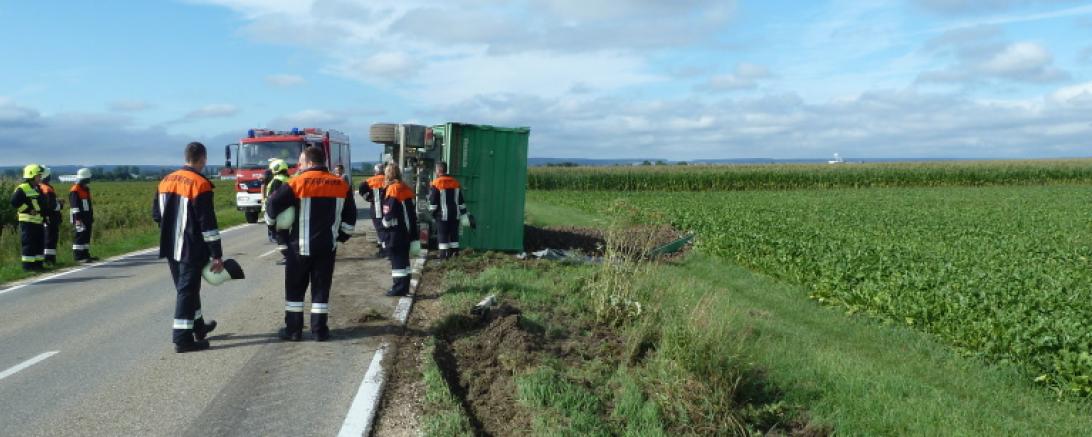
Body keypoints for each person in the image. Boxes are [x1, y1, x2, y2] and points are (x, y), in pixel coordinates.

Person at [266, 146, 356, 341]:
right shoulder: (341, 184)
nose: (299, 165)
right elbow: (350, 216)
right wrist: (342, 236)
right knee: (321, 290)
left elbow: (272, 204)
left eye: (301, 162)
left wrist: (273, 227)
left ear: (309, 162)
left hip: (299, 247)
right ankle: (319, 330)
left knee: (295, 290)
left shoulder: (297, 182)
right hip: (327, 247)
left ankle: (293, 330)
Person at [152, 142, 223, 353]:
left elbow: (156, 215)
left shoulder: (165, 180)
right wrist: (216, 254)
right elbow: (207, 224)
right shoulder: (200, 184)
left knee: (188, 289)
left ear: (186, 157)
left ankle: (199, 327)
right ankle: (182, 339)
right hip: (190, 247)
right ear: (203, 159)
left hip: (170, 245)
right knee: (187, 290)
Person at [381, 163, 417, 296]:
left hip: (395, 232)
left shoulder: (392, 189)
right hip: (407, 231)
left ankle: (398, 288)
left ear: (388, 174)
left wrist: (383, 224)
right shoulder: (405, 188)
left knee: (397, 262)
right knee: (404, 261)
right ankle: (404, 287)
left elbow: (389, 213)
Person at [428, 162, 468, 260]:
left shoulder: (436, 183)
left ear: (438, 170)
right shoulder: (455, 182)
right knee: (454, 236)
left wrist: (431, 214)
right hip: (455, 215)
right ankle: (455, 256)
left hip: (442, 216)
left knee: (443, 236)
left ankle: (443, 258)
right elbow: (461, 202)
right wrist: (464, 214)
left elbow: (433, 203)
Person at [10, 164, 45, 271]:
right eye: (38, 175)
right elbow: (14, 202)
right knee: (29, 244)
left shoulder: (37, 188)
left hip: (38, 221)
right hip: (27, 221)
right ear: (31, 176)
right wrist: (28, 210)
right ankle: (28, 267)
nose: (40, 177)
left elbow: (40, 204)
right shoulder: (22, 188)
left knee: (39, 243)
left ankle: (38, 265)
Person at [359, 163, 388, 258]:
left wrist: (368, 198)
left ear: (375, 172)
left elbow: (361, 188)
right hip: (389, 208)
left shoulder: (369, 181)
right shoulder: (390, 180)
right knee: (388, 228)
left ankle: (384, 250)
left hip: (376, 208)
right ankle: (385, 246)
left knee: (380, 229)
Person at [69, 168, 98, 262]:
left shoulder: (85, 189)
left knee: (86, 236)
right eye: (88, 178)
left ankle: (86, 255)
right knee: (80, 236)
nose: (89, 180)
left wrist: (91, 216)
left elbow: (88, 204)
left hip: (87, 216)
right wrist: (77, 218)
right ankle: (78, 257)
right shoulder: (75, 190)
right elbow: (75, 206)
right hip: (79, 218)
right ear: (84, 178)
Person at [265, 159, 291, 263]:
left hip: (279, 212)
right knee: (288, 234)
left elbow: (274, 198)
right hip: (289, 210)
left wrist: (271, 216)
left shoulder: (277, 180)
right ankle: (291, 255)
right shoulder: (288, 179)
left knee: (280, 236)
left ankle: (287, 257)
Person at [38, 167, 63, 265]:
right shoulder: (47, 188)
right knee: (50, 238)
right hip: (51, 218)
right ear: (47, 176)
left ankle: (48, 260)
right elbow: (51, 206)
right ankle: (49, 260)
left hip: (45, 217)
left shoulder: (40, 187)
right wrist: (60, 205)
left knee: (47, 238)